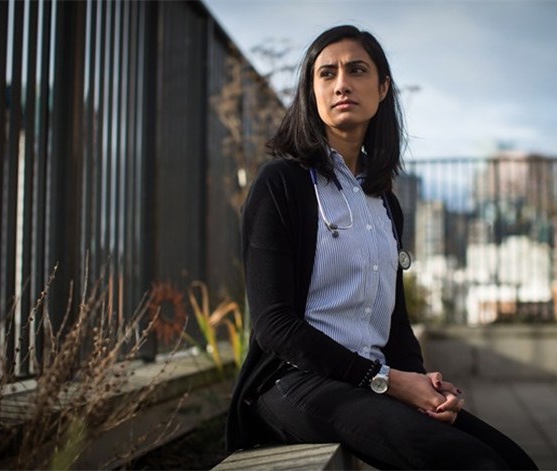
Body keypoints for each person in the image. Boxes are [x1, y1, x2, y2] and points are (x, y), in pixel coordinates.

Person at [225, 24, 538, 470]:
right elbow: (273, 325)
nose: (341, 84)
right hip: (296, 383)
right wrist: (386, 381)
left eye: (356, 70)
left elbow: (394, 322)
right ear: (311, 91)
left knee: (515, 462)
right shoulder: (283, 183)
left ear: (383, 87)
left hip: (370, 382)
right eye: (326, 73)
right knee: (471, 463)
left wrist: (423, 383)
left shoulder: (384, 200)